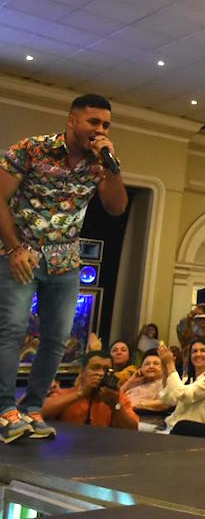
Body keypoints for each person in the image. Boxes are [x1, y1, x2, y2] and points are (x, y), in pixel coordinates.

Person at [0, 94, 128, 442]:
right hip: (21, 253)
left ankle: (33, 409)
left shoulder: (100, 163)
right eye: (93, 122)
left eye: (105, 125)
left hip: (65, 261)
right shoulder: (32, 149)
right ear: (72, 121)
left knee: (57, 339)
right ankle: (4, 411)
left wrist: (112, 166)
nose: (99, 130)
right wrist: (14, 248)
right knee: (11, 329)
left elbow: (116, 208)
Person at [41, 350, 139, 429]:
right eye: (95, 368)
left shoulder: (117, 398)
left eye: (106, 370)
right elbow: (40, 412)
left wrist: (115, 405)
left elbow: (133, 429)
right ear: (82, 371)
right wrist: (81, 393)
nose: (100, 373)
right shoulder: (65, 394)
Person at [159, 339, 205, 430]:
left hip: (190, 433)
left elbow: (185, 395)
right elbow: (169, 399)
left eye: (203, 350)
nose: (198, 354)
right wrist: (165, 368)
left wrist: (170, 365)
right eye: (194, 351)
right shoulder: (187, 379)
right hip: (170, 426)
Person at [120, 349, 169, 420]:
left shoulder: (165, 383)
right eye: (147, 364)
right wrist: (130, 382)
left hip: (146, 420)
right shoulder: (135, 382)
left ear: (163, 368)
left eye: (156, 363)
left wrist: (135, 405)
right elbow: (116, 397)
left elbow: (165, 403)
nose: (151, 366)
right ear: (141, 368)